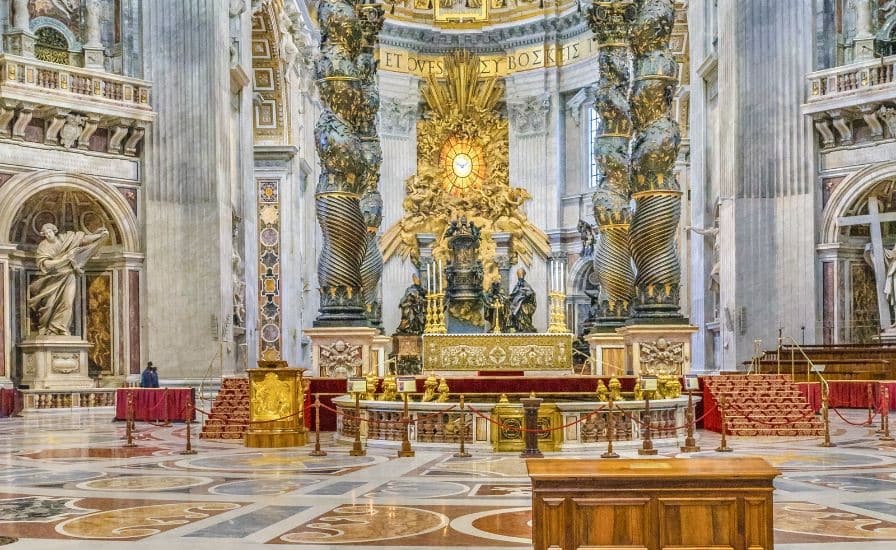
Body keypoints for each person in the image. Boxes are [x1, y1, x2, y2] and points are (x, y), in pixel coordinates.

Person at [509, 267, 537, 333]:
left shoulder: (527, 285)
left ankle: (526, 326)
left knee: (521, 307)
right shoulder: (517, 285)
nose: (520, 280)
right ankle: (518, 326)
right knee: (514, 308)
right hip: (517, 304)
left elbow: (532, 293)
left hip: (527, 305)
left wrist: (525, 296)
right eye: (519, 279)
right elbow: (514, 294)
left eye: (521, 279)